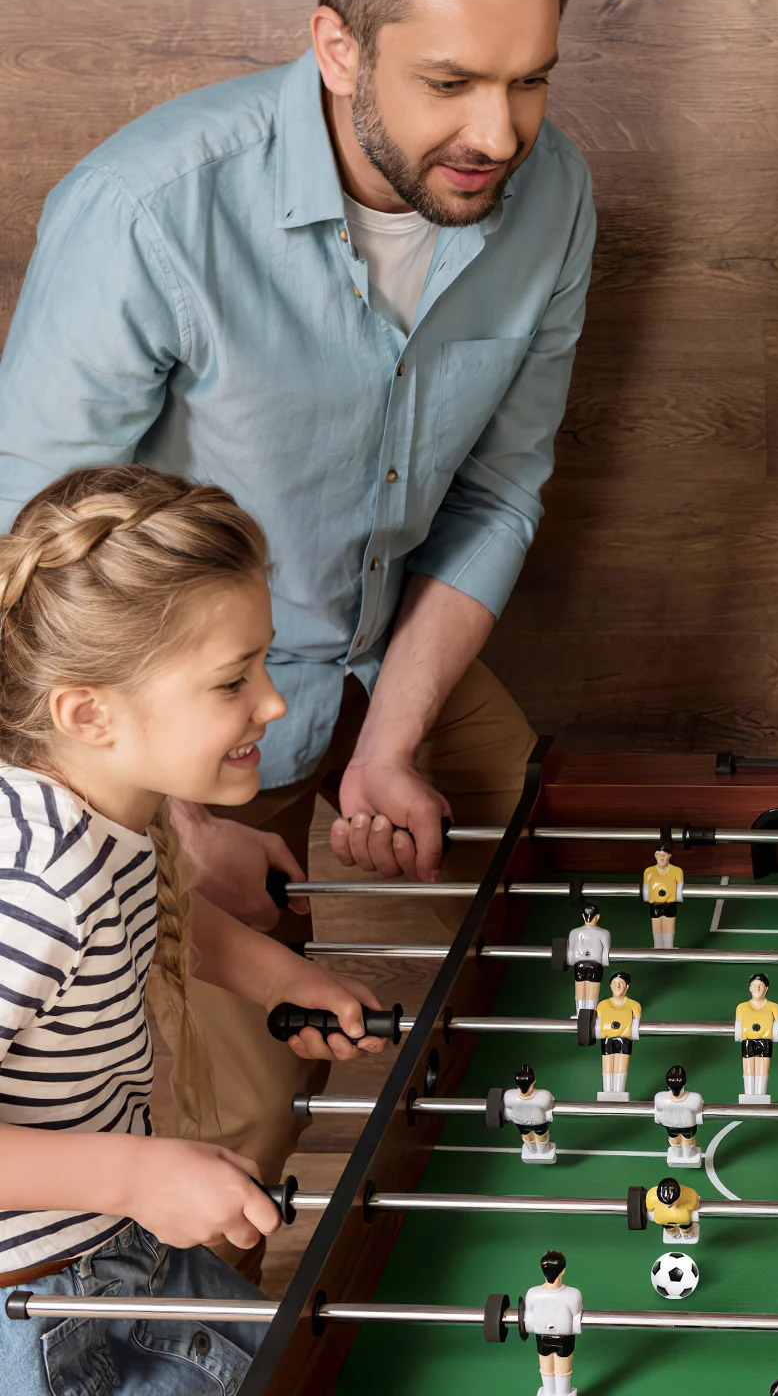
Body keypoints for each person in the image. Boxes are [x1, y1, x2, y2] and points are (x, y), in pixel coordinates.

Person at [0, 0, 594, 1223]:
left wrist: (390, 735)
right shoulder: (144, 215)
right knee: (239, 1115)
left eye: (530, 78)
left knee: (575, 856)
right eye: (449, 83)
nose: (500, 135)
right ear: (337, 46)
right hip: (172, 693)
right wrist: (165, 829)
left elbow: (502, 494)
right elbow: (19, 587)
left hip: (387, 645)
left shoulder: (552, 194)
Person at [0, 465, 388, 1395]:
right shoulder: (39, 881)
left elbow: (147, 918)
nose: (273, 703)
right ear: (89, 712)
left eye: (263, 663)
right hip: (47, 1317)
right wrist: (136, 1176)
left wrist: (274, 977)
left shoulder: (103, 815)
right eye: (230, 681)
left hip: (113, 1260)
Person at [523, 1248, 582, 1396]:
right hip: (564, 1339)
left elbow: (528, 1322)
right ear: (563, 1271)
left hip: (545, 1338)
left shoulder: (532, 1294)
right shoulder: (573, 1295)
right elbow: (576, 1322)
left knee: (548, 1370)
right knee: (559, 1371)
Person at [735, 972, 778, 1102]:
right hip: (747, 1039)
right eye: (754, 985)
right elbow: (738, 1023)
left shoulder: (773, 1006)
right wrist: (739, 1035)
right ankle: (749, 1095)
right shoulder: (742, 1007)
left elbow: (776, 1022)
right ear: (750, 988)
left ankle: (760, 1094)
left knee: (762, 1068)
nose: (757, 988)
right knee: (749, 1067)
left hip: (765, 1039)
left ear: (766, 988)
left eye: (760, 985)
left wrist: (775, 1034)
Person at [597, 972, 642, 1099]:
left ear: (627, 986)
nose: (617, 986)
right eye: (614, 983)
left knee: (621, 1066)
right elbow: (598, 1022)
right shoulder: (602, 1005)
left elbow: (636, 1021)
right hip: (607, 1037)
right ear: (610, 986)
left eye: (620, 983)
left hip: (624, 1038)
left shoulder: (634, 1005)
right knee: (607, 1064)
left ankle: (618, 1091)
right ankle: (607, 1092)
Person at [654, 1065, 705, 1167]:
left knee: (674, 1140)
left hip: (670, 1125)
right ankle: (689, 1156)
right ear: (684, 1083)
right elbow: (698, 1108)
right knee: (688, 1140)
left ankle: (678, 1155)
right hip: (688, 1125)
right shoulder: (695, 1099)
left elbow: (658, 1110)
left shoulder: (660, 1098)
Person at [505, 1064, 556, 1163]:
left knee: (527, 1136)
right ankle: (543, 1152)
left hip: (520, 1123)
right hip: (539, 1123)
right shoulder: (544, 1096)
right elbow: (549, 1106)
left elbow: (508, 1110)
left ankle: (532, 1151)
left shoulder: (508, 1096)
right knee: (542, 1137)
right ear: (534, 1081)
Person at [566, 902, 610, 1014]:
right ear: (598, 916)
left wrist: (572, 961)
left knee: (582, 989)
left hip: (580, 964)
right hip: (595, 964)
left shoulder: (574, 932)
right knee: (590, 991)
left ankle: (580, 1013)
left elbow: (570, 952)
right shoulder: (604, 933)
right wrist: (604, 962)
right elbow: (605, 952)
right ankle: (588, 1014)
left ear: (582, 916)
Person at [643, 843, 685, 948]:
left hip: (670, 903)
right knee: (656, 927)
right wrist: (646, 897)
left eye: (664, 854)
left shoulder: (677, 871)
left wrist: (678, 897)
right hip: (655, 904)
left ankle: (668, 948)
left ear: (669, 856)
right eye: (659, 854)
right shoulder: (649, 871)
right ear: (655, 855)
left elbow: (679, 885)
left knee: (668, 927)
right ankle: (658, 948)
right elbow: (646, 886)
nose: (661, 857)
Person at [645, 1176, 700, 1245]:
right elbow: (694, 1207)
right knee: (685, 1225)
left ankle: (674, 1235)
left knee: (669, 1226)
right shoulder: (691, 1193)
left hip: (663, 1218)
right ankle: (687, 1234)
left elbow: (649, 1208)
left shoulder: (651, 1194)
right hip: (682, 1217)